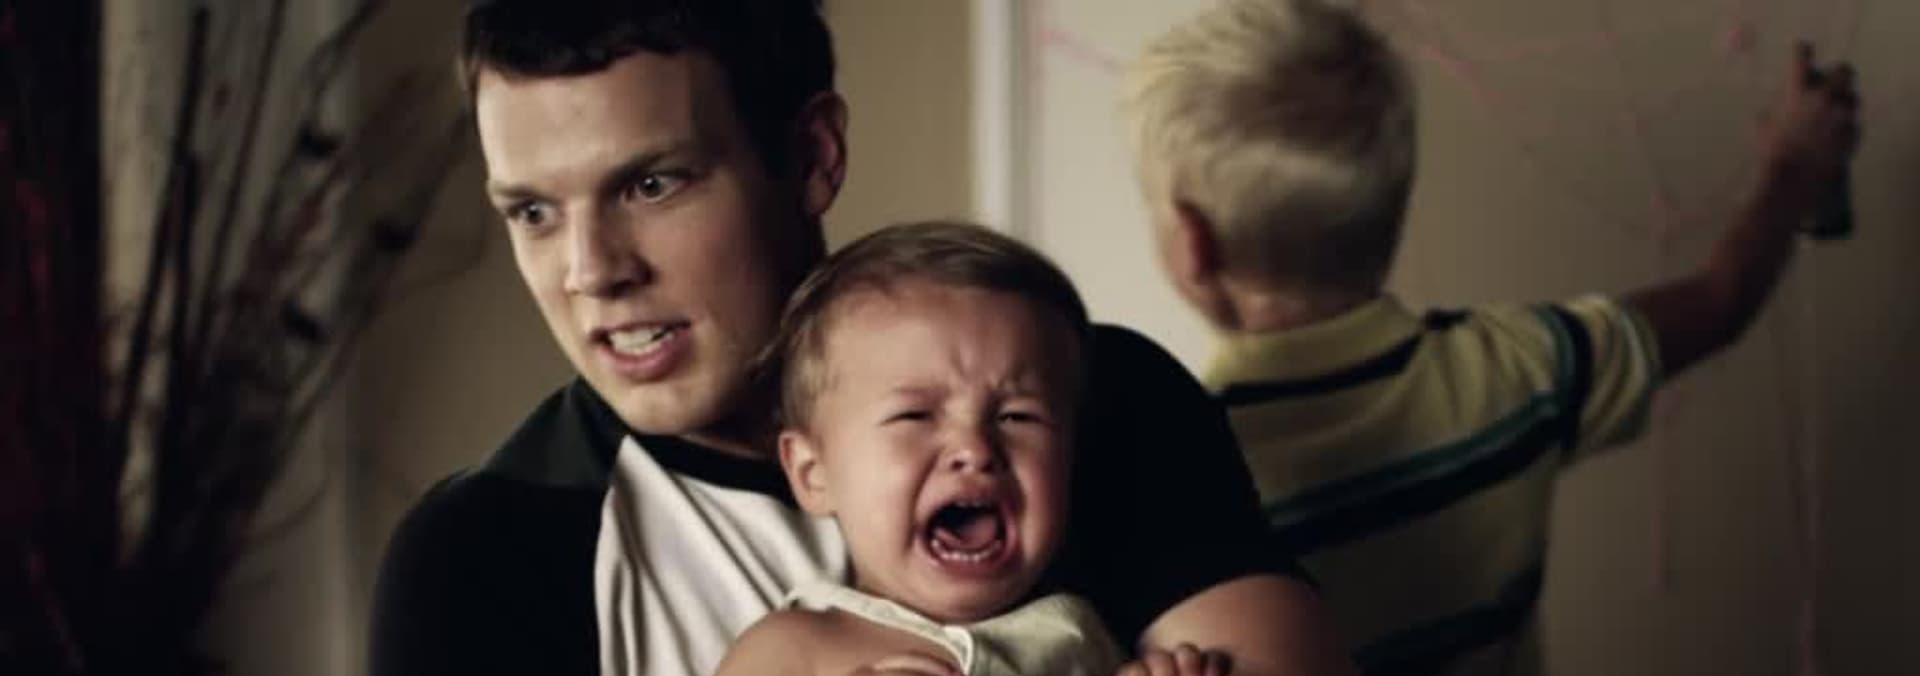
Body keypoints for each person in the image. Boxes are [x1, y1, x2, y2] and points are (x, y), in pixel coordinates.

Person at [370, 2, 1355, 675]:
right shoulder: (486, 559)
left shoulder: (1089, 399)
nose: (590, 271)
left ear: (812, 155)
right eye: (533, 212)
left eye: (652, 184)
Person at [1123, 0, 1862, 674]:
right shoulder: (1521, 367)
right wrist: (1794, 166)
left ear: (1192, 241)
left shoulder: (1178, 471)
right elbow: (1723, 299)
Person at [715, 221, 1224, 676]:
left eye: (1018, 417)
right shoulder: (793, 647)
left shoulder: (1083, 637)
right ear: (813, 473)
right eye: (915, 415)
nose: (976, 448)